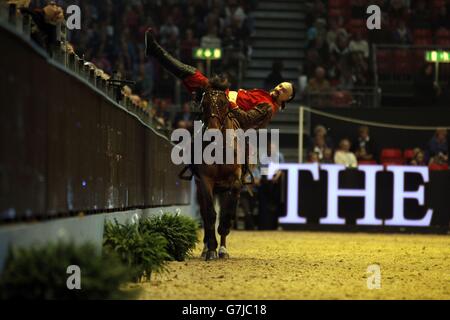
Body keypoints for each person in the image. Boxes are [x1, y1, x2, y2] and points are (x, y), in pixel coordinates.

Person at [144, 28, 295, 130]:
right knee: (189, 73)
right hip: (225, 98)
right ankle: (155, 50)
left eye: (284, 91)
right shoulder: (266, 97)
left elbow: (247, 120)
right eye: (281, 86)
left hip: (225, 106)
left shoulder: (268, 106)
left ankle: (154, 49)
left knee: (190, 73)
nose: (280, 88)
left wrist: (232, 102)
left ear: (286, 99)